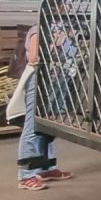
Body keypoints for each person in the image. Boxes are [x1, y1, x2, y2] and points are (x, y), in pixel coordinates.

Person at [10, 25, 73, 191]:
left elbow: (72, 55)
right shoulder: (37, 29)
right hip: (38, 82)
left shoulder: (61, 30)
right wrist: (54, 44)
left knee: (48, 128)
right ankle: (25, 176)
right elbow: (33, 58)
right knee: (31, 127)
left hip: (55, 82)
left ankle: (45, 168)